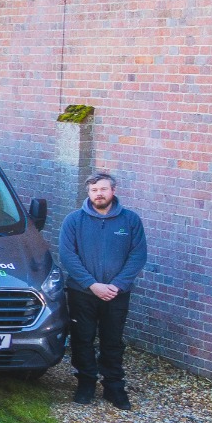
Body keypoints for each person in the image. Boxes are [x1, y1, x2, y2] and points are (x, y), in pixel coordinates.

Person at [59, 170, 148, 409]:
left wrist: (117, 285)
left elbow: (138, 255)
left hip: (117, 294)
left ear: (113, 191)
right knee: (83, 338)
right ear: (89, 193)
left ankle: (114, 387)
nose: (99, 194)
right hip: (82, 292)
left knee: (112, 340)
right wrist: (92, 285)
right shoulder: (73, 220)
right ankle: (86, 383)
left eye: (103, 189)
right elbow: (68, 256)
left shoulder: (130, 221)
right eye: (94, 190)